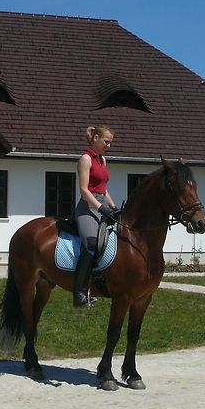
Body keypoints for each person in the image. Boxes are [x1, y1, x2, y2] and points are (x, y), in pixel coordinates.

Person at [73, 125, 119, 307]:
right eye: (106, 142)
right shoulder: (85, 159)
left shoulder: (103, 160)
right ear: (95, 138)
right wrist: (101, 208)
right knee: (91, 244)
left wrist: (113, 206)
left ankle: (100, 283)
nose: (109, 145)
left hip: (102, 205)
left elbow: (103, 189)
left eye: (110, 142)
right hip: (87, 207)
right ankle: (78, 293)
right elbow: (84, 190)